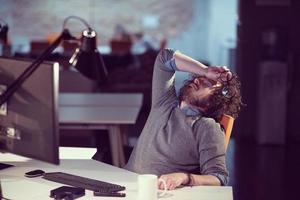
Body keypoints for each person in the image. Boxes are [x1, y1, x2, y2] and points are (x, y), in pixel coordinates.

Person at [124, 48, 243, 190]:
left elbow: (219, 177)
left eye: (209, 83)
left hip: (157, 193)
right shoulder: (164, 102)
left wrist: (184, 177)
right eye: (198, 76)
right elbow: (164, 58)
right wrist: (205, 70)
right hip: (125, 185)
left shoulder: (206, 126)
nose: (198, 79)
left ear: (218, 100)